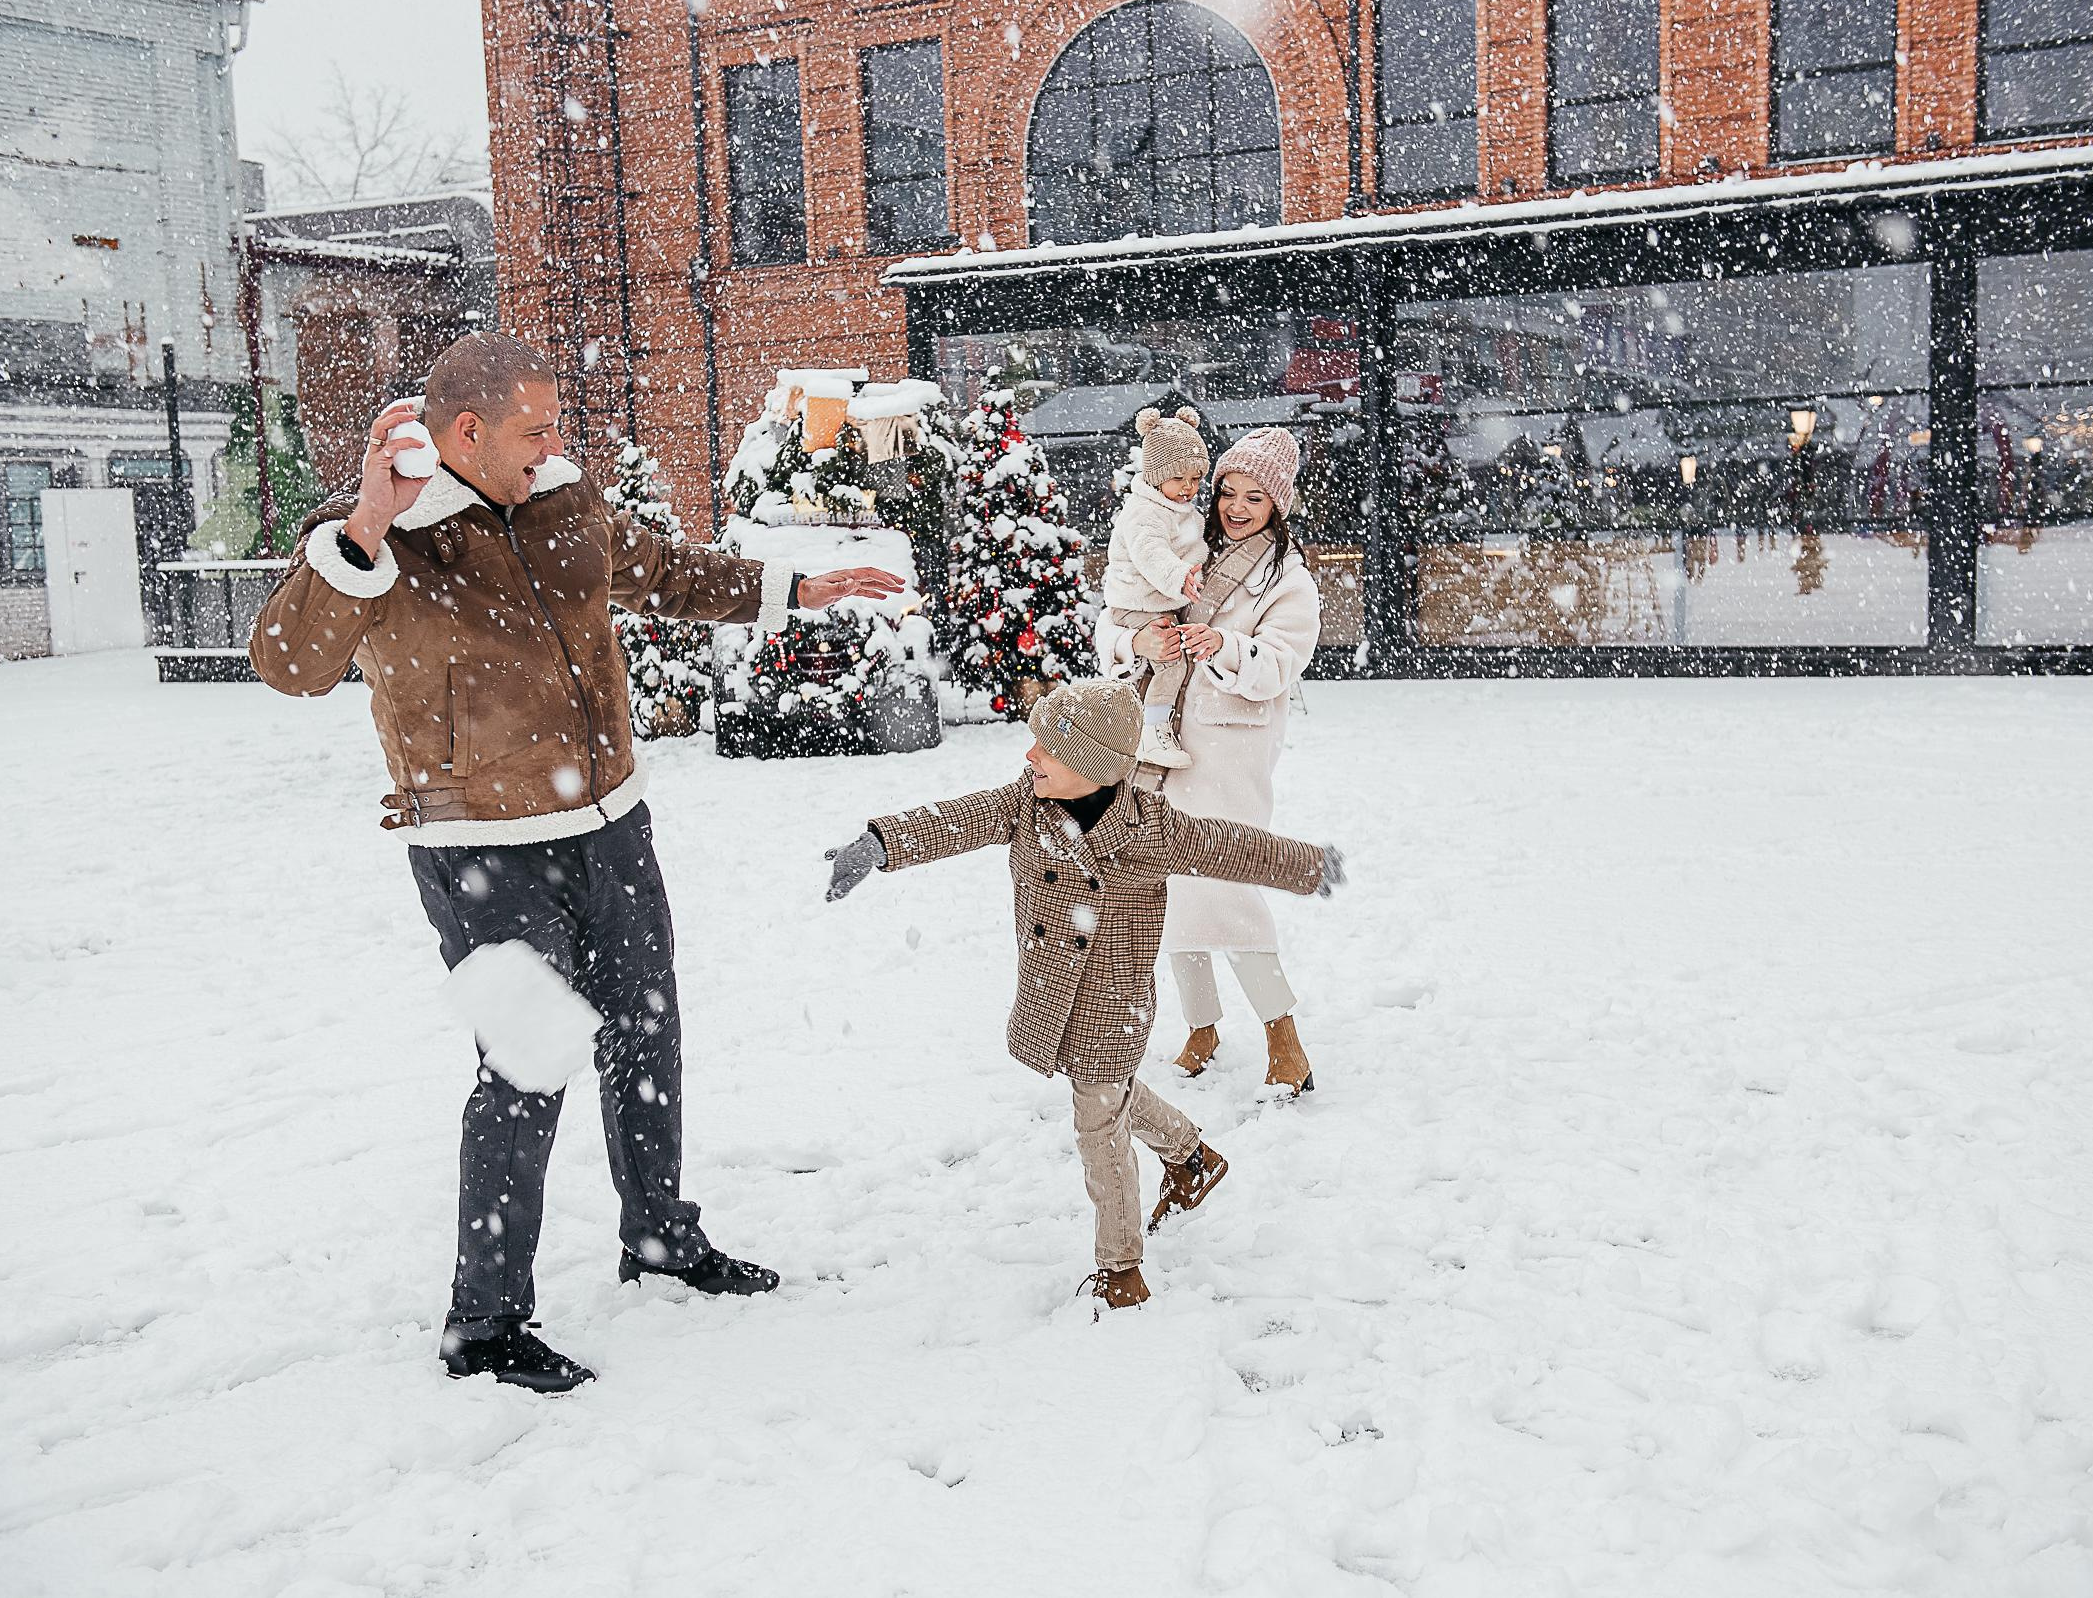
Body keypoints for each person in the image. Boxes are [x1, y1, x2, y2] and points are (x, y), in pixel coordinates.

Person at [249, 331, 904, 1391]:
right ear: (466, 432)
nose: (556, 442)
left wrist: (799, 593)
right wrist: (366, 520)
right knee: (528, 1067)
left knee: (648, 1032)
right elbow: (286, 663)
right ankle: (487, 1322)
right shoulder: (383, 534)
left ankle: (661, 1237)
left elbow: (663, 573)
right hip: (477, 848)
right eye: (535, 428)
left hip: (609, 823)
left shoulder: (561, 502)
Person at [821, 680, 1343, 1311]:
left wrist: (1306, 865)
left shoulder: (1151, 829)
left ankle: (1121, 1267)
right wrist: (881, 842)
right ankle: (1191, 1158)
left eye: (1047, 748)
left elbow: (1230, 846)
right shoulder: (1026, 806)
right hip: (1051, 991)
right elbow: (957, 818)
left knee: (1100, 1130)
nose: (1029, 757)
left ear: (1094, 765)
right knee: (1108, 1095)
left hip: (1116, 1003)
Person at [1097, 426, 1326, 1096]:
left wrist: (1222, 644)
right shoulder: (1185, 544)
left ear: (1278, 505)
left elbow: (1280, 664)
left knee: (1226, 891)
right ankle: (1201, 1029)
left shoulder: (1290, 581)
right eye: (1228, 491)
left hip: (1227, 755)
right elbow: (1118, 614)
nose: (1235, 506)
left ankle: (1285, 1038)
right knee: (1162, 891)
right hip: (1155, 749)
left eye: (1255, 497)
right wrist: (1134, 638)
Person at [1102, 407, 1211, 770]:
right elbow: (1152, 554)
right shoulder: (1144, 512)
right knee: (1170, 663)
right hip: (1137, 603)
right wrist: (1180, 577)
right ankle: (1153, 733)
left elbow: (1193, 545)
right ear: (1155, 476)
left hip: (1155, 601)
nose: (1188, 487)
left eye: (1195, 477)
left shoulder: (1180, 509)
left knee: (1162, 665)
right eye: (1178, 477)